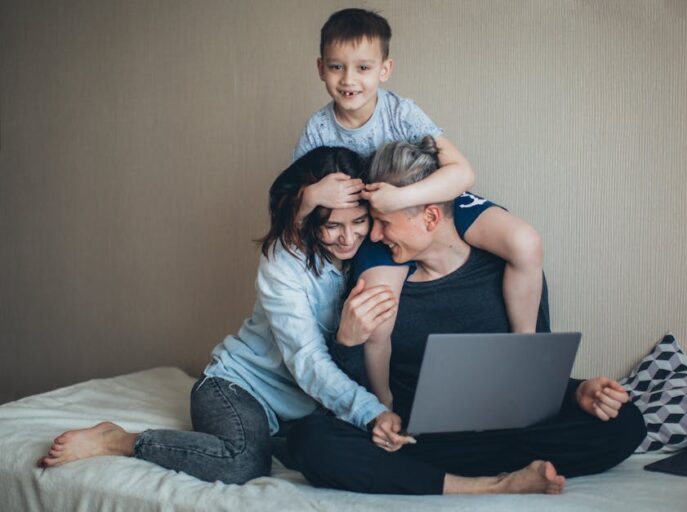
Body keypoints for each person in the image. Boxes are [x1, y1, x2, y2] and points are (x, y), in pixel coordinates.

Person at [285, 137, 647, 496]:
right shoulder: (377, 278)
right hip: (418, 439)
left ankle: (441, 477)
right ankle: (493, 484)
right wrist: (347, 342)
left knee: (625, 422)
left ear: (430, 216)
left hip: (506, 432)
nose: (372, 235)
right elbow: (357, 394)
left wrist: (577, 393)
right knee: (310, 441)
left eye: (383, 223)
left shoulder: (507, 272)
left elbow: (526, 374)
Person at [37, 146, 399, 484]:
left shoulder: (368, 258)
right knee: (243, 461)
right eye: (331, 226)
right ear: (308, 222)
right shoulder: (284, 262)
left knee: (339, 453)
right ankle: (119, 439)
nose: (348, 237)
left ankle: (274, 438)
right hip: (237, 387)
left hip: (302, 409)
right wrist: (370, 411)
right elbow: (308, 360)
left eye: (358, 222)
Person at [295, 7, 545, 410]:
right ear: (321, 68)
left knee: (526, 243)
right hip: (377, 225)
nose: (349, 79)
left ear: (385, 69)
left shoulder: (402, 112)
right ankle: (383, 404)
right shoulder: (317, 130)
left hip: (428, 201)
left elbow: (462, 173)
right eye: (337, 67)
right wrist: (313, 194)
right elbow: (294, 201)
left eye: (363, 67)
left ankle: (525, 351)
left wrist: (402, 198)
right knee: (378, 312)